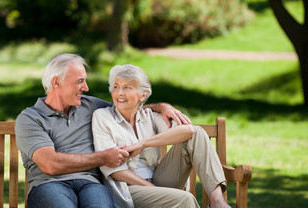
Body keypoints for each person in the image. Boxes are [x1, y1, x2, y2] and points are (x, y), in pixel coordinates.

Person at [15, 54, 191, 208]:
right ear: (57, 82)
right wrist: (103, 157)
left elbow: (128, 106)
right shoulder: (31, 118)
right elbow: (51, 164)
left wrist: (162, 107)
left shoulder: (89, 105)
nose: (86, 88)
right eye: (79, 81)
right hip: (49, 184)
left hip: (90, 184)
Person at [92, 64, 231, 208]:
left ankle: (217, 202)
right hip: (127, 189)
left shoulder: (149, 116)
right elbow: (115, 171)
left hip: (158, 180)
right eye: (116, 86)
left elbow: (189, 131)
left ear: (143, 95)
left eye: (127, 87)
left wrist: (144, 143)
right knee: (185, 199)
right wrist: (155, 190)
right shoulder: (102, 117)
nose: (119, 92)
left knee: (197, 134)